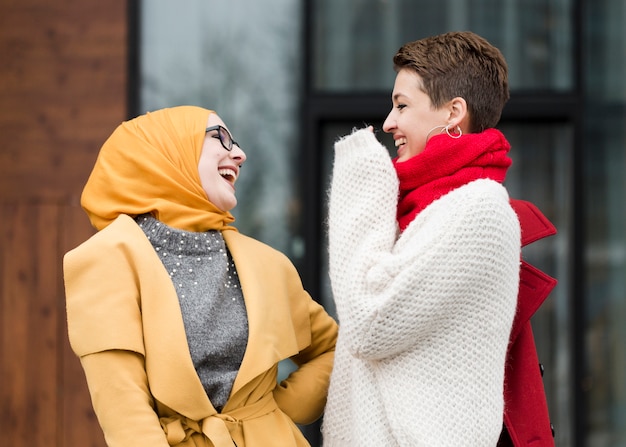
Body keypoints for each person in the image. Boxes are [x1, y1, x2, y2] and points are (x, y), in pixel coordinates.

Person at [321, 31, 554, 446]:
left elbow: (370, 324)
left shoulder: (478, 211)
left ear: (453, 113)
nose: (388, 122)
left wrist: (359, 185)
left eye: (402, 105)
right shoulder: (414, 211)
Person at [63, 105, 338, 447]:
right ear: (169, 150)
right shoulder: (106, 260)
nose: (239, 154)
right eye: (219, 138)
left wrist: (275, 411)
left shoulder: (268, 263)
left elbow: (332, 350)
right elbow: (124, 411)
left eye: (235, 143)